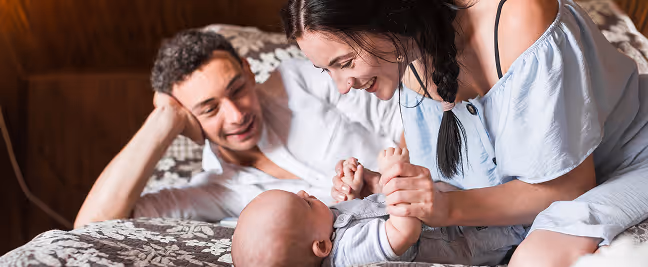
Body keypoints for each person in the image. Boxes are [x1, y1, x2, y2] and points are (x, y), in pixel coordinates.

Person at [280, 0, 648, 266]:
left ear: (388, 17)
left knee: (536, 259)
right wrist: (384, 188)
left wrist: (445, 208)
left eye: (344, 63)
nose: (342, 86)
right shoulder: (405, 56)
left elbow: (569, 187)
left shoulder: (518, 17)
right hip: (563, 190)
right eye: (325, 70)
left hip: (631, 158)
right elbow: (451, 172)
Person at [74, 29, 403, 228]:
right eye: (210, 108)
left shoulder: (299, 80)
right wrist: (163, 122)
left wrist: (390, 180)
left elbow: (404, 116)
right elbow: (93, 224)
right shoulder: (215, 189)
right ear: (189, 119)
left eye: (237, 90)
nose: (236, 115)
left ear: (247, 71)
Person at [232, 148, 525, 266]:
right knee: (514, 227)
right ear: (320, 246)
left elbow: (362, 214)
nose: (305, 191)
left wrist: (356, 192)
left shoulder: (325, 231)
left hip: (450, 206)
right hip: (465, 236)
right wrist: (393, 173)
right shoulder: (349, 253)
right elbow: (403, 231)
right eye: (305, 203)